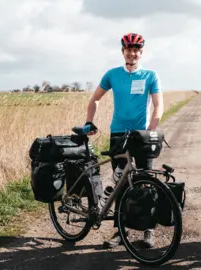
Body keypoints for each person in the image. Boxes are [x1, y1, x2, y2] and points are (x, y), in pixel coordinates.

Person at [84, 32, 164, 249]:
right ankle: (121, 230)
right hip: (118, 134)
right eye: (128, 49)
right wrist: (89, 121)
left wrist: (151, 130)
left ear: (141, 52)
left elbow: (158, 105)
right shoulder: (112, 74)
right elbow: (95, 99)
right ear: (123, 52)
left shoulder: (150, 76)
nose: (132, 53)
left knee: (146, 181)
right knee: (120, 182)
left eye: (136, 49)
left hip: (141, 135)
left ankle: (148, 230)